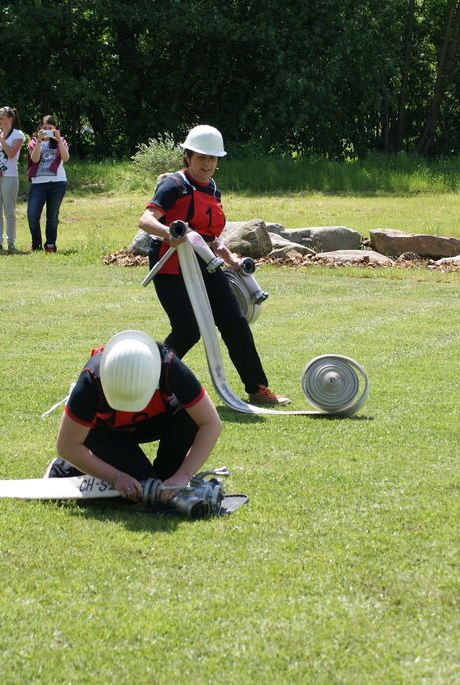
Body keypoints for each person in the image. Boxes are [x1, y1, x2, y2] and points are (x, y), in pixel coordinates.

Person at [137, 124, 290, 406]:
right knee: (187, 331)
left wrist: (232, 260)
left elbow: (210, 237)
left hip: (206, 263)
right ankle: (146, 383)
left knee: (235, 322)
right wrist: (169, 233)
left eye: (212, 158)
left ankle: (257, 389)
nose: (207, 164)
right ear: (188, 157)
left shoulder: (213, 189)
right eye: (201, 157)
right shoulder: (173, 184)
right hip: (170, 266)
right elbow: (146, 220)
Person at [46, 330, 222, 503]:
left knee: (159, 490)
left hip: (146, 423)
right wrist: (116, 476)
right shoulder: (92, 377)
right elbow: (67, 446)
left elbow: (211, 423)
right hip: (104, 432)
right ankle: (66, 468)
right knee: (137, 489)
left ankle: (164, 475)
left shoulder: (168, 366)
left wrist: (183, 475)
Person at [0, 106, 25, 252]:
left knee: (9, 210)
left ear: (10, 119)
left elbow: (11, 154)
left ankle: (11, 242)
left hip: (9, 176)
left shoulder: (18, 134)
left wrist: (0, 138)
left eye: (1, 118)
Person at [26, 114, 69, 252]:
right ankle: (36, 243)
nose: (47, 131)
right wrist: (39, 141)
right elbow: (35, 159)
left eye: (50, 128)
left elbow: (66, 158)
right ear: (40, 129)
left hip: (58, 182)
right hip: (38, 183)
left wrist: (59, 141)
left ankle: (50, 244)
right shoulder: (33, 142)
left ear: (55, 128)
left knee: (52, 216)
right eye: (44, 128)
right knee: (32, 215)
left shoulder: (61, 141)